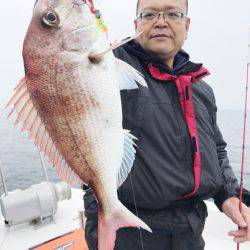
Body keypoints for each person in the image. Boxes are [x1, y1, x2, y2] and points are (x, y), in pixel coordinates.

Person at [83, 0, 250, 249]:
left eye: (173, 13)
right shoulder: (108, 67)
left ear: (187, 24)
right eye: (149, 14)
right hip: (129, 234)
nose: (161, 21)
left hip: (189, 232)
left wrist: (226, 195)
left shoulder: (201, 89)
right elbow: (64, 57)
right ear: (136, 24)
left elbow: (216, 149)